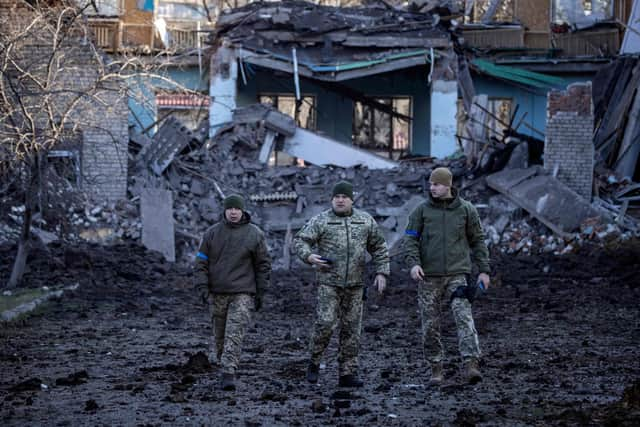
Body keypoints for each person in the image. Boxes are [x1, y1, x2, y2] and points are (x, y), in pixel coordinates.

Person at [294, 180, 390, 387]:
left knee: (352, 329)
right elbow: (300, 240)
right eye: (336, 197)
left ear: (351, 199)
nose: (340, 200)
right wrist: (309, 256)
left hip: (355, 285)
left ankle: (347, 372)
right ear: (332, 199)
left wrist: (382, 272)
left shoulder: (365, 221)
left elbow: (379, 247)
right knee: (326, 324)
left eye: (344, 197)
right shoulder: (321, 220)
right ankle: (314, 361)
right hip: (329, 283)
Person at [403, 167, 490, 385]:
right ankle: (436, 369)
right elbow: (410, 240)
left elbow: (478, 240)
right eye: (431, 184)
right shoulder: (421, 211)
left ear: (448, 185)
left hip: (457, 275)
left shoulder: (466, 210)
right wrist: (413, 264)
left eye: (437, 184)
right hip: (428, 277)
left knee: (464, 318)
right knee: (430, 324)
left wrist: (484, 270)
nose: (432, 188)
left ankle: (471, 365)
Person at [194, 194, 271, 391]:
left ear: (243, 210)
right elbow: (201, 262)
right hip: (217, 292)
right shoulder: (212, 234)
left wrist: (261, 292)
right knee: (219, 336)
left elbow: (263, 265)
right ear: (225, 210)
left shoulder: (255, 234)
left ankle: (228, 371)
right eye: (230, 209)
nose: (234, 212)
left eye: (237, 209)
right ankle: (224, 361)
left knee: (234, 333)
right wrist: (202, 286)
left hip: (243, 292)